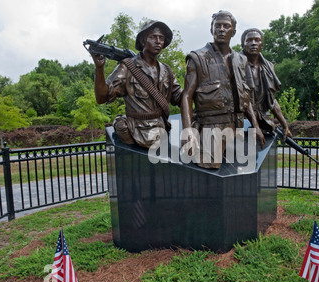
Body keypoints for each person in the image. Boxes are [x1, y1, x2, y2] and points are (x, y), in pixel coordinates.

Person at [180, 10, 265, 169]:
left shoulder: (241, 60)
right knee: (210, 168)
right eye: (217, 25)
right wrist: (187, 130)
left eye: (226, 26)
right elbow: (186, 96)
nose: (221, 29)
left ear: (233, 31)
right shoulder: (197, 58)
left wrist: (256, 125)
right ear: (211, 29)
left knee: (234, 174)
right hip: (211, 127)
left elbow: (245, 98)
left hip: (237, 127)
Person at [92, 20, 182, 149]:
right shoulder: (127, 68)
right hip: (138, 131)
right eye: (153, 37)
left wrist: (198, 88)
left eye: (161, 38)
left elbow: (179, 96)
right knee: (120, 124)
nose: (158, 41)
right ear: (143, 41)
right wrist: (99, 68)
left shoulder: (166, 70)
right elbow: (101, 98)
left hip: (162, 129)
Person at [240, 28, 292, 140]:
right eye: (249, 40)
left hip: (263, 120)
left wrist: (284, 125)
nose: (253, 43)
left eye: (257, 40)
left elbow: (271, 100)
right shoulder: (235, 65)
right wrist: (255, 126)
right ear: (243, 44)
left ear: (261, 44)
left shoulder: (268, 67)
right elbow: (244, 98)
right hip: (241, 121)